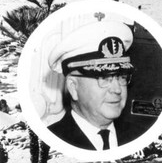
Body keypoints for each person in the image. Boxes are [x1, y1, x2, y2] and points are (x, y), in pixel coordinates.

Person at [47, 18, 135, 150]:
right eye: (104, 78)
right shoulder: (50, 141)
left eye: (122, 77)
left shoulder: (137, 135)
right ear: (73, 87)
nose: (117, 90)